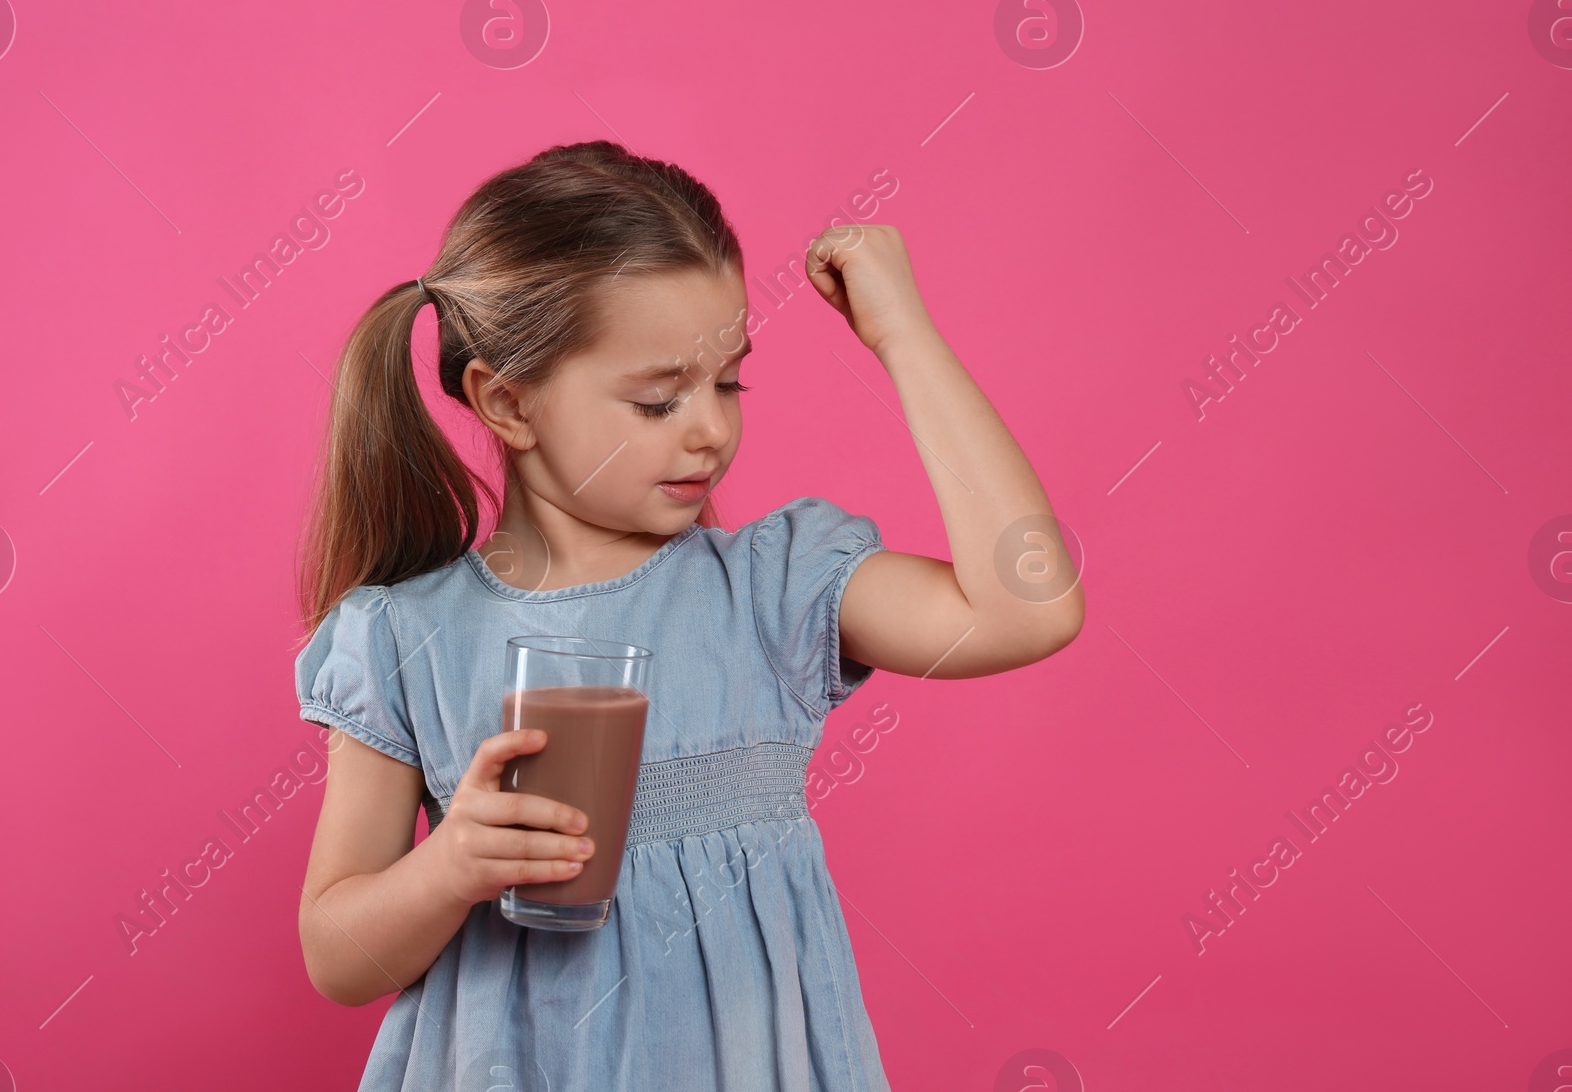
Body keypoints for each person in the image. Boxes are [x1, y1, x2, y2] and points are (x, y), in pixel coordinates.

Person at [295, 139, 1084, 1091]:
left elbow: (1027, 609)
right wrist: (449, 865)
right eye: (660, 399)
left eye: (728, 382)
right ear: (507, 403)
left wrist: (904, 335)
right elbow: (338, 960)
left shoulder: (768, 589)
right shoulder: (401, 637)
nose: (710, 428)